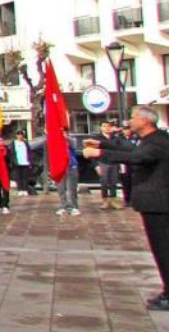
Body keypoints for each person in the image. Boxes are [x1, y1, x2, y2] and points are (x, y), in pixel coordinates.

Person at [82, 106, 169, 311]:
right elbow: (133, 151)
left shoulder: (157, 142)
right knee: (161, 249)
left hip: (159, 204)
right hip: (155, 204)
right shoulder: (150, 140)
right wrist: (102, 143)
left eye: (133, 117)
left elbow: (137, 157)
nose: (130, 121)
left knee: (164, 250)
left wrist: (99, 152)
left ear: (145, 121)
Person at [98, 121, 129, 210]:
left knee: (114, 182)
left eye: (108, 126)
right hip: (103, 162)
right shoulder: (97, 138)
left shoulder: (116, 138)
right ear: (101, 128)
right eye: (104, 126)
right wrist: (96, 165)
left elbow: (121, 149)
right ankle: (105, 200)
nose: (107, 128)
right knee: (104, 182)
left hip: (114, 162)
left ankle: (113, 200)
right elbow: (92, 152)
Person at [55, 127, 80, 217]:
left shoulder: (72, 140)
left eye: (65, 132)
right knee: (61, 188)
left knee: (72, 188)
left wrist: (65, 137)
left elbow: (73, 145)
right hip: (60, 167)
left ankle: (74, 207)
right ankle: (63, 206)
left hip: (71, 166)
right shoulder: (56, 142)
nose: (63, 134)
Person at [9, 130, 34, 196]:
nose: (20, 136)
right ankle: (20, 190)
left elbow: (29, 152)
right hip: (17, 163)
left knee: (25, 177)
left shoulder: (25, 143)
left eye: (21, 135)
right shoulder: (14, 143)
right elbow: (11, 153)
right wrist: (12, 161)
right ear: (17, 135)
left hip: (25, 162)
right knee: (18, 177)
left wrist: (30, 161)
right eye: (19, 134)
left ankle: (25, 190)